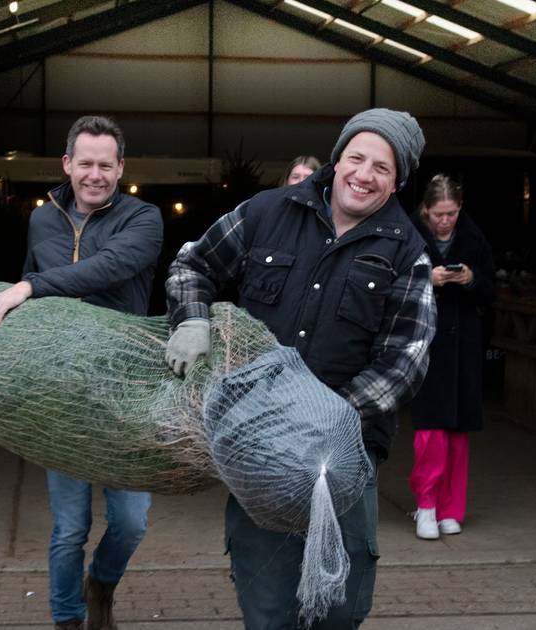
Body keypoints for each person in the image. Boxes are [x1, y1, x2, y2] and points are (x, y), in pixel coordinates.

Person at [164, 108, 435, 628]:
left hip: (345, 460)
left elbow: (405, 362)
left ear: (397, 181)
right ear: (337, 159)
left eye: (382, 167)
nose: (364, 173)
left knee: (339, 609)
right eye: (357, 157)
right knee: (267, 608)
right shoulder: (267, 212)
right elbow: (192, 265)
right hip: (260, 448)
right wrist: (191, 321)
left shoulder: (408, 252)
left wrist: (326, 418)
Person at [0, 115, 163, 630]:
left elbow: (106, 268)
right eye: (85, 163)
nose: (95, 174)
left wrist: (30, 286)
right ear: (68, 163)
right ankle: (67, 619)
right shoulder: (43, 219)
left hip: (124, 391)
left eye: (106, 165)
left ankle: (100, 585)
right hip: (60, 395)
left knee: (131, 522)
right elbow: (30, 295)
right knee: (69, 528)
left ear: (120, 167)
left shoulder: (142, 219)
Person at [407, 174, 496, 540]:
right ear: (426, 210)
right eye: (439, 214)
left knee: (459, 432)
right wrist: (429, 279)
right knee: (430, 431)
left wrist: (472, 279)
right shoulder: (410, 238)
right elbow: (392, 287)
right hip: (428, 344)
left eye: (452, 213)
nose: (445, 220)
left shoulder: (475, 239)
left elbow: (492, 292)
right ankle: (425, 505)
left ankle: (450, 510)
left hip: (465, 346)